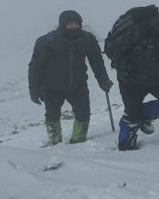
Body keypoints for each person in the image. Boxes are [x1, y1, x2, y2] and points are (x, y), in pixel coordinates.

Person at [106, 5, 159, 151]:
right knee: (126, 144)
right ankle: (130, 126)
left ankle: (139, 116)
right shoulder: (140, 30)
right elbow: (113, 50)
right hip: (130, 80)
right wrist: (125, 66)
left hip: (157, 78)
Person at [28, 10, 113, 146]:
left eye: (76, 24)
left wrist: (103, 80)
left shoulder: (87, 39)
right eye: (70, 24)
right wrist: (34, 90)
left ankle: (79, 140)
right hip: (51, 86)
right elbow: (35, 67)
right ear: (62, 24)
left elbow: (96, 61)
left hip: (78, 84)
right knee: (52, 115)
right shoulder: (46, 41)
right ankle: (55, 142)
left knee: (84, 113)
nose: (74, 27)